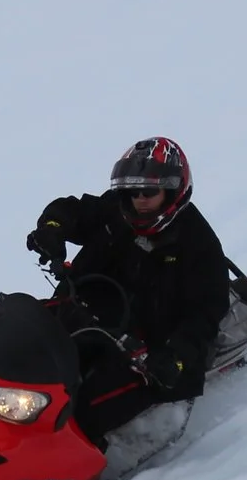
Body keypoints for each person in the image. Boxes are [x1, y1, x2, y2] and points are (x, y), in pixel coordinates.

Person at [26, 137, 233, 445]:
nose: (139, 200)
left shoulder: (199, 248)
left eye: (149, 192)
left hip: (140, 354)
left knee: (78, 411)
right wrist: (52, 230)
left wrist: (174, 357)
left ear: (173, 192)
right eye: (133, 192)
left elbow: (204, 316)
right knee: (14, 336)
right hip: (83, 312)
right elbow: (73, 211)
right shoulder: (117, 210)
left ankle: (64, 463)